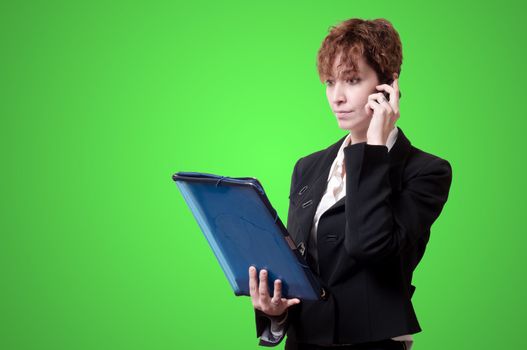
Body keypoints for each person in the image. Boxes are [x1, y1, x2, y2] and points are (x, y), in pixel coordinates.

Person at [248, 18, 453, 350]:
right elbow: (301, 268)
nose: (337, 97)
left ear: (388, 86)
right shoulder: (308, 167)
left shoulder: (426, 172)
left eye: (352, 80)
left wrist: (371, 151)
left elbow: (370, 247)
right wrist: (276, 313)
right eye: (330, 82)